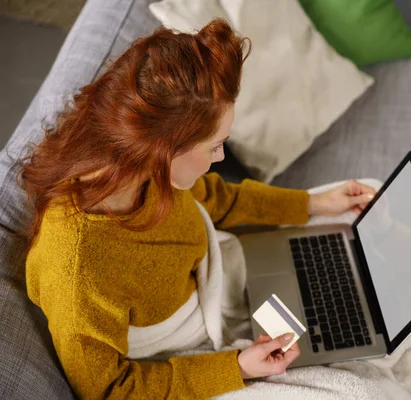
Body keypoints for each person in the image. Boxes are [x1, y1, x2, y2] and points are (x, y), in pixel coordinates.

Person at [20, 19, 376, 399]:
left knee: (364, 201)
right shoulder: (77, 271)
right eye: (214, 146)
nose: (220, 157)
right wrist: (237, 367)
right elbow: (108, 389)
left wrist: (312, 204)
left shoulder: (139, 168)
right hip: (185, 357)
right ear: (164, 149)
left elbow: (216, 197)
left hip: (219, 280)